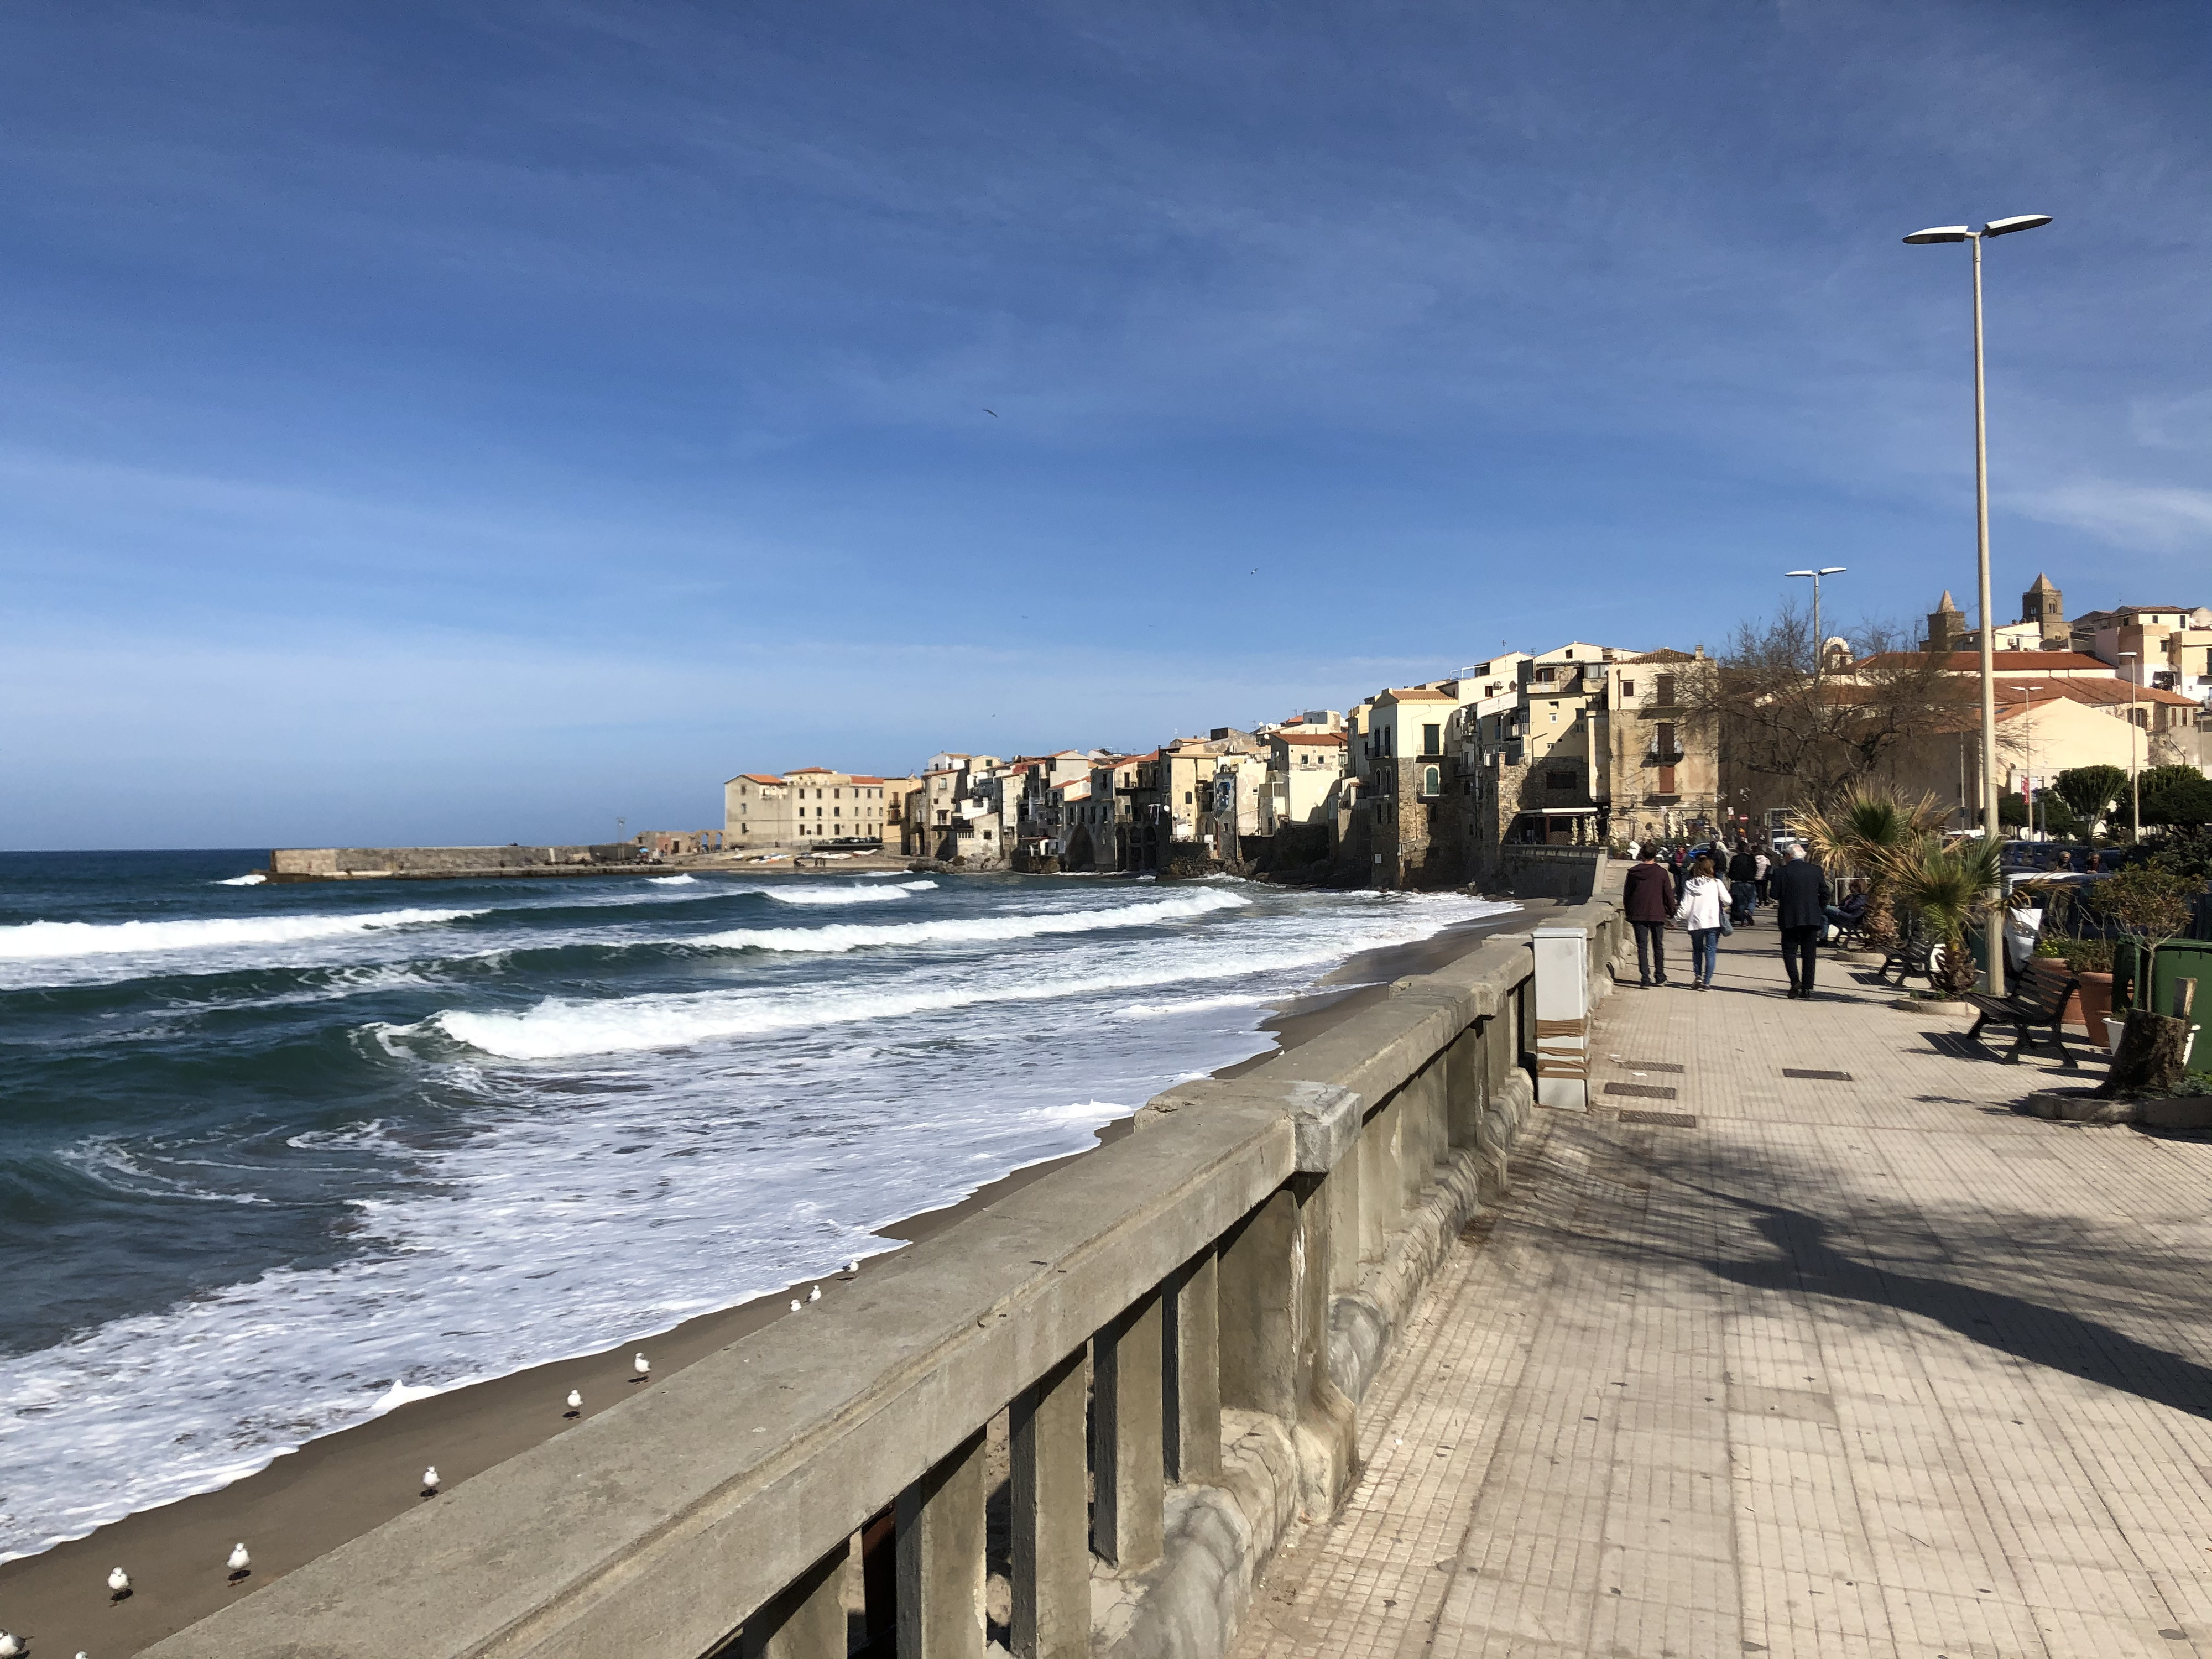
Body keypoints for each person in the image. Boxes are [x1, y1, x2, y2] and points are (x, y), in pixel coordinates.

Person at [1772, 842, 1832, 999]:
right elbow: (1825, 893)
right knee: (1809, 954)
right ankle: (1807, 988)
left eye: (1785, 855)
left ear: (1790, 856)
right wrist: (1819, 910)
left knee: (1790, 952)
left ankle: (1795, 981)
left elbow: (1774, 894)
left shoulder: (1781, 872)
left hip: (1789, 919)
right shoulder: (1815, 871)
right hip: (1812, 919)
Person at [1623, 843, 1677, 988]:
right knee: (1658, 946)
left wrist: (1629, 911)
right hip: (1657, 913)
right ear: (1655, 855)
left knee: (1642, 946)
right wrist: (1672, 912)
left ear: (1641, 855)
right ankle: (1659, 976)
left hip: (1638, 913)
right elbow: (1668, 895)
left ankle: (1645, 978)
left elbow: (1627, 895)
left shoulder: (1634, 873)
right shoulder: (1661, 873)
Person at [1676, 855, 1729, 990]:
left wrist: (1674, 920)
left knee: (1697, 951)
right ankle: (1707, 982)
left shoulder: (1689, 884)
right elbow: (1728, 900)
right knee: (1711, 952)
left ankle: (1698, 975)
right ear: (1710, 870)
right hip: (1713, 922)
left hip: (1695, 923)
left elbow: (1684, 906)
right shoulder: (1716, 883)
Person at [1825, 877, 1869, 941]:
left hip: (1849, 917)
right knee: (1824, 918)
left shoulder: (1862, 898)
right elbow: (1843, 904)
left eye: (1852, 889)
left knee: (1825, 907)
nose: (1850, 891)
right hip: (1844, 913)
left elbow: (1851, 908)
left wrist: (1840, 908)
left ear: (1857, 888)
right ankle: (1823, 939)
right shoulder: (1853, 897)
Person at [1727, 843, 1760, 926]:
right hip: (1750, 882)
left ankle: (1744, 918)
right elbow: (1756, 869)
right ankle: (1750, 912)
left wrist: (1732, 877)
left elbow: (1730, 871)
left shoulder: (1735, 858)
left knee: (1740, 903)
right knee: (1752, 900)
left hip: (1738, 882)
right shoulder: (1751, 858)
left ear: (1738, 849)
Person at [1753, 843, 1773, 907]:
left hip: (1757, 877)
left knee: (1759, 890)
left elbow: (1753, 868)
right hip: (1764, 877)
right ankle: (1765, 901)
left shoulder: (1755, 859)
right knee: (1764, 889)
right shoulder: (1766, 860)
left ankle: (1760, 902)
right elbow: (1769, 868)